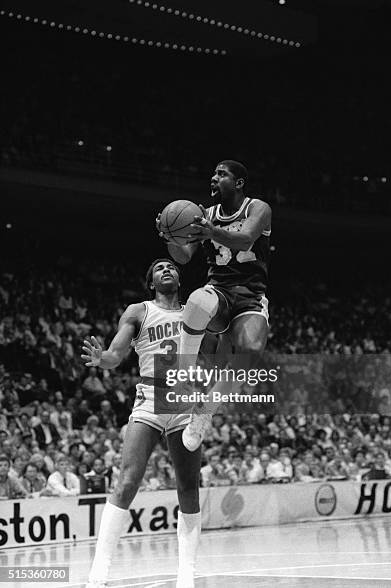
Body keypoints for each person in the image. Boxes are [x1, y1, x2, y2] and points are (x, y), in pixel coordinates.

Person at [81, 259, 201, 588]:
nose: (166, 270)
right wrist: (101, 358)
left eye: (172, 267)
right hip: (150, 396)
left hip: (185, 399)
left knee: (188, 487)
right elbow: (116, 354)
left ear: (179, 277)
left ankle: (186, 574)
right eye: (159, 268)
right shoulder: (139, 310)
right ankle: (99, 574)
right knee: (127, 481)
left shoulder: (196, 309)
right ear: (151, 282)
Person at [157, 160, 272, 450]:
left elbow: (245, 240)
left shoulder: (257, 208)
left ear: (239, 182)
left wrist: (211, 233)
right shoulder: (203, 215)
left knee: (250, 354)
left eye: (222, 174)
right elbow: (183, 257)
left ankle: (204, 413)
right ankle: (182, 373)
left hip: (250, 295)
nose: (214, 177)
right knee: (196, 300)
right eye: (214, 173)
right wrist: (170, 236)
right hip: (218, 292)